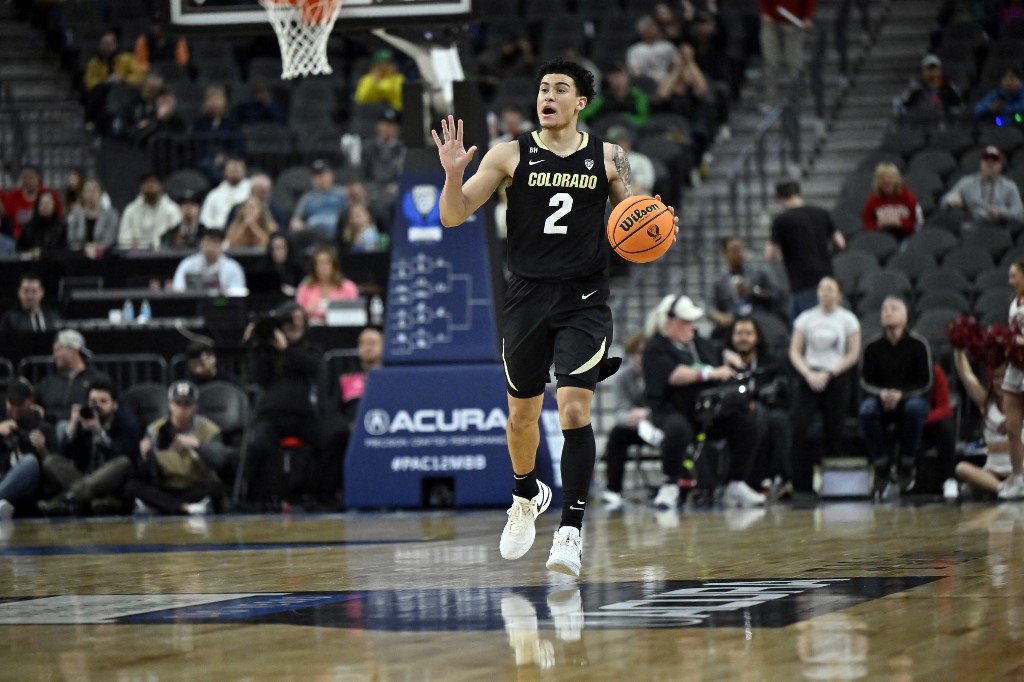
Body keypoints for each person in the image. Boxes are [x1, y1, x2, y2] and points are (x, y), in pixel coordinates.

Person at [431, 57, 677, 576]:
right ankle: (526, 496)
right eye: (543, 88)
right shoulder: (508, 154)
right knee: (521, 417)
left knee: (572, 410)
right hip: (526, 296)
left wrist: (655, 225)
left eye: (559, 89)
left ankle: (571, 530)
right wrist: (453, 176)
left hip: (583, 298)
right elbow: (453, 215)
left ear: (580, 102)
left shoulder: (609, 156)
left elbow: (631, 219)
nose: (547, 96)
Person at [643, 295, 766, 509]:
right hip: (673, 410)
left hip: (706, 411)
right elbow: (675, 375)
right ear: (669, 322)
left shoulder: (697, 342)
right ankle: (670, 484)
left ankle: (735, 482)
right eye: (685, 322)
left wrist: (728, 355)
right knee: (677, 429)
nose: (691, 326)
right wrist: (709, 373)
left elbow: (716, 351)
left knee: (747, 423)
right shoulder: (656, 348)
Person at [241, 303, 322, 507]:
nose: (293, 325)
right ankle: (258, 497)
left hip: (303, 415)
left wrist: (286, 349)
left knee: (326, 441)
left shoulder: (311, 347)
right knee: (258, 445)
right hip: (271, 415)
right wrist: (255, 346)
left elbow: (312, 367)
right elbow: (259, 378)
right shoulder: (269, 351)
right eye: (288, 321)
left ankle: (317, 494)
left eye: (297, 320)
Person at [788, 277, 861, 494]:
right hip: (810, 375)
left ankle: (832, 485)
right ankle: (800, 483)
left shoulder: (848, 319)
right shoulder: (806, 318)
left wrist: (831, 373)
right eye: (821, 289)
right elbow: (795, 351)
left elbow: (853, 353)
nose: (825, 293)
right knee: (800, 427)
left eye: (830, 289)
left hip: (836, 376)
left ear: (839, 294)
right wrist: (808, 373)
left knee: (834, 430)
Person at [858, 297, 933, 497]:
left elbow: (925, 382)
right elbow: (865, 381)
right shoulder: (872, 346)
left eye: (894, 308)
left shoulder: (919, 344)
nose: (888, 312)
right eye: (884, 309)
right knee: (866, 410)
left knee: (914, 408)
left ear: (905, 316)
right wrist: (882, 394)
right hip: (881, 399)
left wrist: (902, 395)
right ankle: (881, 465)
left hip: (911, 398)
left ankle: (906, 463)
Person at [37, 378, 142, 516]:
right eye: (93, 402)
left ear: (115, 405)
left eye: (103, 401)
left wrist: (99, 433)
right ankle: (90, 500)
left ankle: (66, 499)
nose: (97, 406)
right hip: (85, 477)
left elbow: (124, 455)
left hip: (113, 482)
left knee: (123, 462)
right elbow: (62, 455)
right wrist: (72, 428)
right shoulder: (85, 419)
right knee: (51, 461)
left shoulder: (127, 422)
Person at [125, 380, 225, 517]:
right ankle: (185, 508)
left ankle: (161, 507)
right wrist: (144, 455)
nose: (182, 410)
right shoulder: (155, 429)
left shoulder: (208, 429)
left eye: (187, 405)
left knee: (216, 489)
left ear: (195, 407)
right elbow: (147, 473)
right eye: (178, 404)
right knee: (132, 486)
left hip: (194, 485)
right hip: (166, 487)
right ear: (170, 406)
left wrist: (198, 445)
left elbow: (219, 461)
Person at [726, 315, 794, 499]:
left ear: (757, 337)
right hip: (732, 413)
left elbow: (783, 390)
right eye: (739, 333)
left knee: (777, 420)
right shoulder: (724, 362)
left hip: (767, 409)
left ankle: (780, 479)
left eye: (748, 333)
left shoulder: (770, 362)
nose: (743, 338)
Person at [765, 178, 846, 321]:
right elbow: (841, 243)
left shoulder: (781, 220)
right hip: (826, 278)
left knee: (807, 326)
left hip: (801, 282)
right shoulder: (821, 213)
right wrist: (826, 255)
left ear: (779, 198)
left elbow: (770, 255)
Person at [321, 326, 384, 502]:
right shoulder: (348, 378)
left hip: (383, 428)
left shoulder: (391, 378)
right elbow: (333, 409)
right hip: (351, 429)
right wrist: (347, 425)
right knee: (331, 439)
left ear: (383, 346)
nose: (367, 347)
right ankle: (333, 495)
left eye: (372, 343)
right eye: (363, 343)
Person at [599, 332, 654, 510]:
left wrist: (646, 414)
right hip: (635, 427)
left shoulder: (661, 373)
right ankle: (613, 489)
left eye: (645, 353)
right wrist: (630, 418)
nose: (641, 357)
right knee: (617, 435)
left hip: (659, 424)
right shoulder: (622, 377)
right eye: (638, 353)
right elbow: (619, 410)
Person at [952, 349, 1016, 499]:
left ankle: (999, 487)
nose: (1000, 383)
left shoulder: (1020, 406)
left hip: (1018, 472)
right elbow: (966, 375)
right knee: (961, 468)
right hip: (992, 471)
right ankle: (1002, 489)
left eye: (1004, 377)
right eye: (996, 378)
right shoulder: (986, 404)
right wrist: (959, 350)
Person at [0, 379, 56, 520]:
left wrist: (42, 449)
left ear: (30, 402)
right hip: (3, 478)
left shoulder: (43, 427)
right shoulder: (2, 423)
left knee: (30, 462)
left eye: (20, 403)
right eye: (11, 403)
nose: (15, 408)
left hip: (30, 488)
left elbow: (55, 466)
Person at [707, 236, 782, 341]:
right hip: (731, 322)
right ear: (725, 254)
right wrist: (721, 317)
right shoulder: (718, 280)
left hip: (758, 319)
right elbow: (710, 308)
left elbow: (776, 295)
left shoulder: (758, 272)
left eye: (740, 249)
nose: (739, 254)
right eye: (734, 250)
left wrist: (752, 292)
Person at [35, 330, 110, 429]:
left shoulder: (96, 380)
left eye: (58, 350)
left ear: (73, 350)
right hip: (50, 430)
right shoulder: (48, 382)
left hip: (84, 429)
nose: (55, 355)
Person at [941, 146, 1024, 231]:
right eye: (986, 161)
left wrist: (1001, 212)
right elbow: (945, 200)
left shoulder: (1009, 186)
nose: (989, 165)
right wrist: (951, 200)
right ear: (981, 163)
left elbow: (1020, 214)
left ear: (1000, 166)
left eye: (993, 162)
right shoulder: (967, 182)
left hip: (998, 230)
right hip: (972, 229)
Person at [82, 29, 145, 130]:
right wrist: (106, 82)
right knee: (98, 91)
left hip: (123, 89)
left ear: (116, 45)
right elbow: (89, 81)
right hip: (103, 91)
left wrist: (123, 79)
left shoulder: (126, 58)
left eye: (110, 44)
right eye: (105, 45)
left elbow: (139, 75)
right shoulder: (94, 63)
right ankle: (93, 121)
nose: (108, 48)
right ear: (100, 46)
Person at [998, 258, 1024, 499]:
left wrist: (1017, 342)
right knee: (1013, 428)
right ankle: (1018, 480)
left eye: (1014, 275)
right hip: (1016, 367)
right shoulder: (1012, 303)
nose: (1010, 281)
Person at [758, 0, 815, 106]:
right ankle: (770, 99)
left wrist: (808, 16)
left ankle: (797, 98)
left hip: (793, 22)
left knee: (795, 62)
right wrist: (764, 12)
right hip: (771, 21)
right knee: (771, 61)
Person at [294, 245, 360, 323]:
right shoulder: (305, 287)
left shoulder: (348, 287)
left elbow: (356, 316)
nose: (322, 268)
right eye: (319, 264)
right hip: (312, 328)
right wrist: (305, 312)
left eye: (326, 263)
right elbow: (296, 316)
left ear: (334, 266)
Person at [117, 173, 182, 250]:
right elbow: (123, 238)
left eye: (153, 182)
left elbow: (176, 237)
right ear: (140, 187)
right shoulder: (131, 210)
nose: (149, 185)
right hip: (136, 254)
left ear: (161, 185)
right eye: (146, 182)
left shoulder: (172, 209)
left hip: (164, 253)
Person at [362, 108, 406, 220]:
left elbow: (405, 172)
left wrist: (399, 184)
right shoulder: (368, 148)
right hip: (373, 188)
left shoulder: (402, 149)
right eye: (386, 124)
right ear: (379, 126)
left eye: (392, 125)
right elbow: (363, 173)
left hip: (394, 188)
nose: (389, 128)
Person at [171, 228, 247, 291]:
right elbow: (178, 290)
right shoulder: (187, 264)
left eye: (215, 243)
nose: (210, 247)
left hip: (222, 304)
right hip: (192, 303)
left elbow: (238, 293)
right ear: (201, 243)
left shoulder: (233, 268)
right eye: (207, 242)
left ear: (221, 246)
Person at [577, 63, 651, 128]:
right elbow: (584, 115)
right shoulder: (604, 98)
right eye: (613, 76)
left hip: (631, 131)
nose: (616, 80)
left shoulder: (637, 96)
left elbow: (644, 119)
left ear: (627, 77)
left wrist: (624, 119)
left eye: (619, 75)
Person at [862, 162, 923, 241]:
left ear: (897, 180)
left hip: (906, 237)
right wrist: (878, 224)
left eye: (890, 178)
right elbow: (867, 225)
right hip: (881, 238)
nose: (886, 181)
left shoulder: (909, 198)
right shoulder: (872, 200)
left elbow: (918, 223)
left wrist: (900, 222)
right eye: (882, 178)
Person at [289, 159, 349, 237]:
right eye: (316, 176)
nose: (320, 179)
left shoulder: (342, 193)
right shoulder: (307, 197)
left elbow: (351, 213)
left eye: (323, 175)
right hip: (313, 233)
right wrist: (303, 227)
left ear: (331, 175)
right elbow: (295, 221)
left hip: (337, 232)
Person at [2, 164, 62, 241]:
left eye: (31, 178)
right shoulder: (12, 197)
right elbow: (6, 221)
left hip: (45, 237)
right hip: (18, 239)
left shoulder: (49, 194)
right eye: (24, 178)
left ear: (38, 178)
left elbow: (57, 218)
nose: (28, 181)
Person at [895, 54, 963, 121]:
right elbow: (900, 104)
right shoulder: (915, 88)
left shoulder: (948, 87)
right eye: (929, 69)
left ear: (940, 71)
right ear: (922, 72)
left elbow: (959, 106)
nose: (932, 73)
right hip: (918, 123)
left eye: (935, 69)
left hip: (941, 123)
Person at [67, 178, 120, 257]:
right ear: (82, 194)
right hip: (79, 256)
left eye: (95, 190)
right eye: (88, 191)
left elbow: (110, 238)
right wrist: (84, 249)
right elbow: (71, 238)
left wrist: (97, 248)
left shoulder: (111, 215)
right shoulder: (76, 215)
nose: (91, 194)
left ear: (101, 193)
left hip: (105, 256)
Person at [200, 155, 250, 230]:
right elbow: (205, 218)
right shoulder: (214, 194)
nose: (234, 173)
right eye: (231, 170)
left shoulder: (252, 191)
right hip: (218, 232)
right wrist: (215, 229)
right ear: (224, 172)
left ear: (244, 171)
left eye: (237, 170)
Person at [603, 126, 655, 198]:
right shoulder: (605, 160)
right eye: (610, 143)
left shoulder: (639, 160)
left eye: (616, 142)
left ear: (626, 142)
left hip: (638, 200)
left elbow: (640, 187)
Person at [625, 15, 677, 82]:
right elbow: (635, 72)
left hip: (667, 80)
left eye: (654, 26)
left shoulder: (667, 46)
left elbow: (676, 64)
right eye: (649, 26)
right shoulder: (634, 50)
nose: (652, 29)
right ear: (642, 30)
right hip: (647, 83)